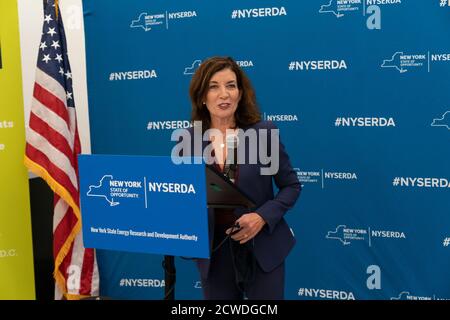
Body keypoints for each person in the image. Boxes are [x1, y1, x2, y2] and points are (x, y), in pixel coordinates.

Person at [186, 56, 301, 299]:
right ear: (202, 96)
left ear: (240, 93)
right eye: (213, 86)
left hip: (262, 248)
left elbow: (291, 186)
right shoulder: (189, 139)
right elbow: (186, 196)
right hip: (215, 253)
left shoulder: (263, 133)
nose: (223, 94)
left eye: (231, 85)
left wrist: (261, 217)